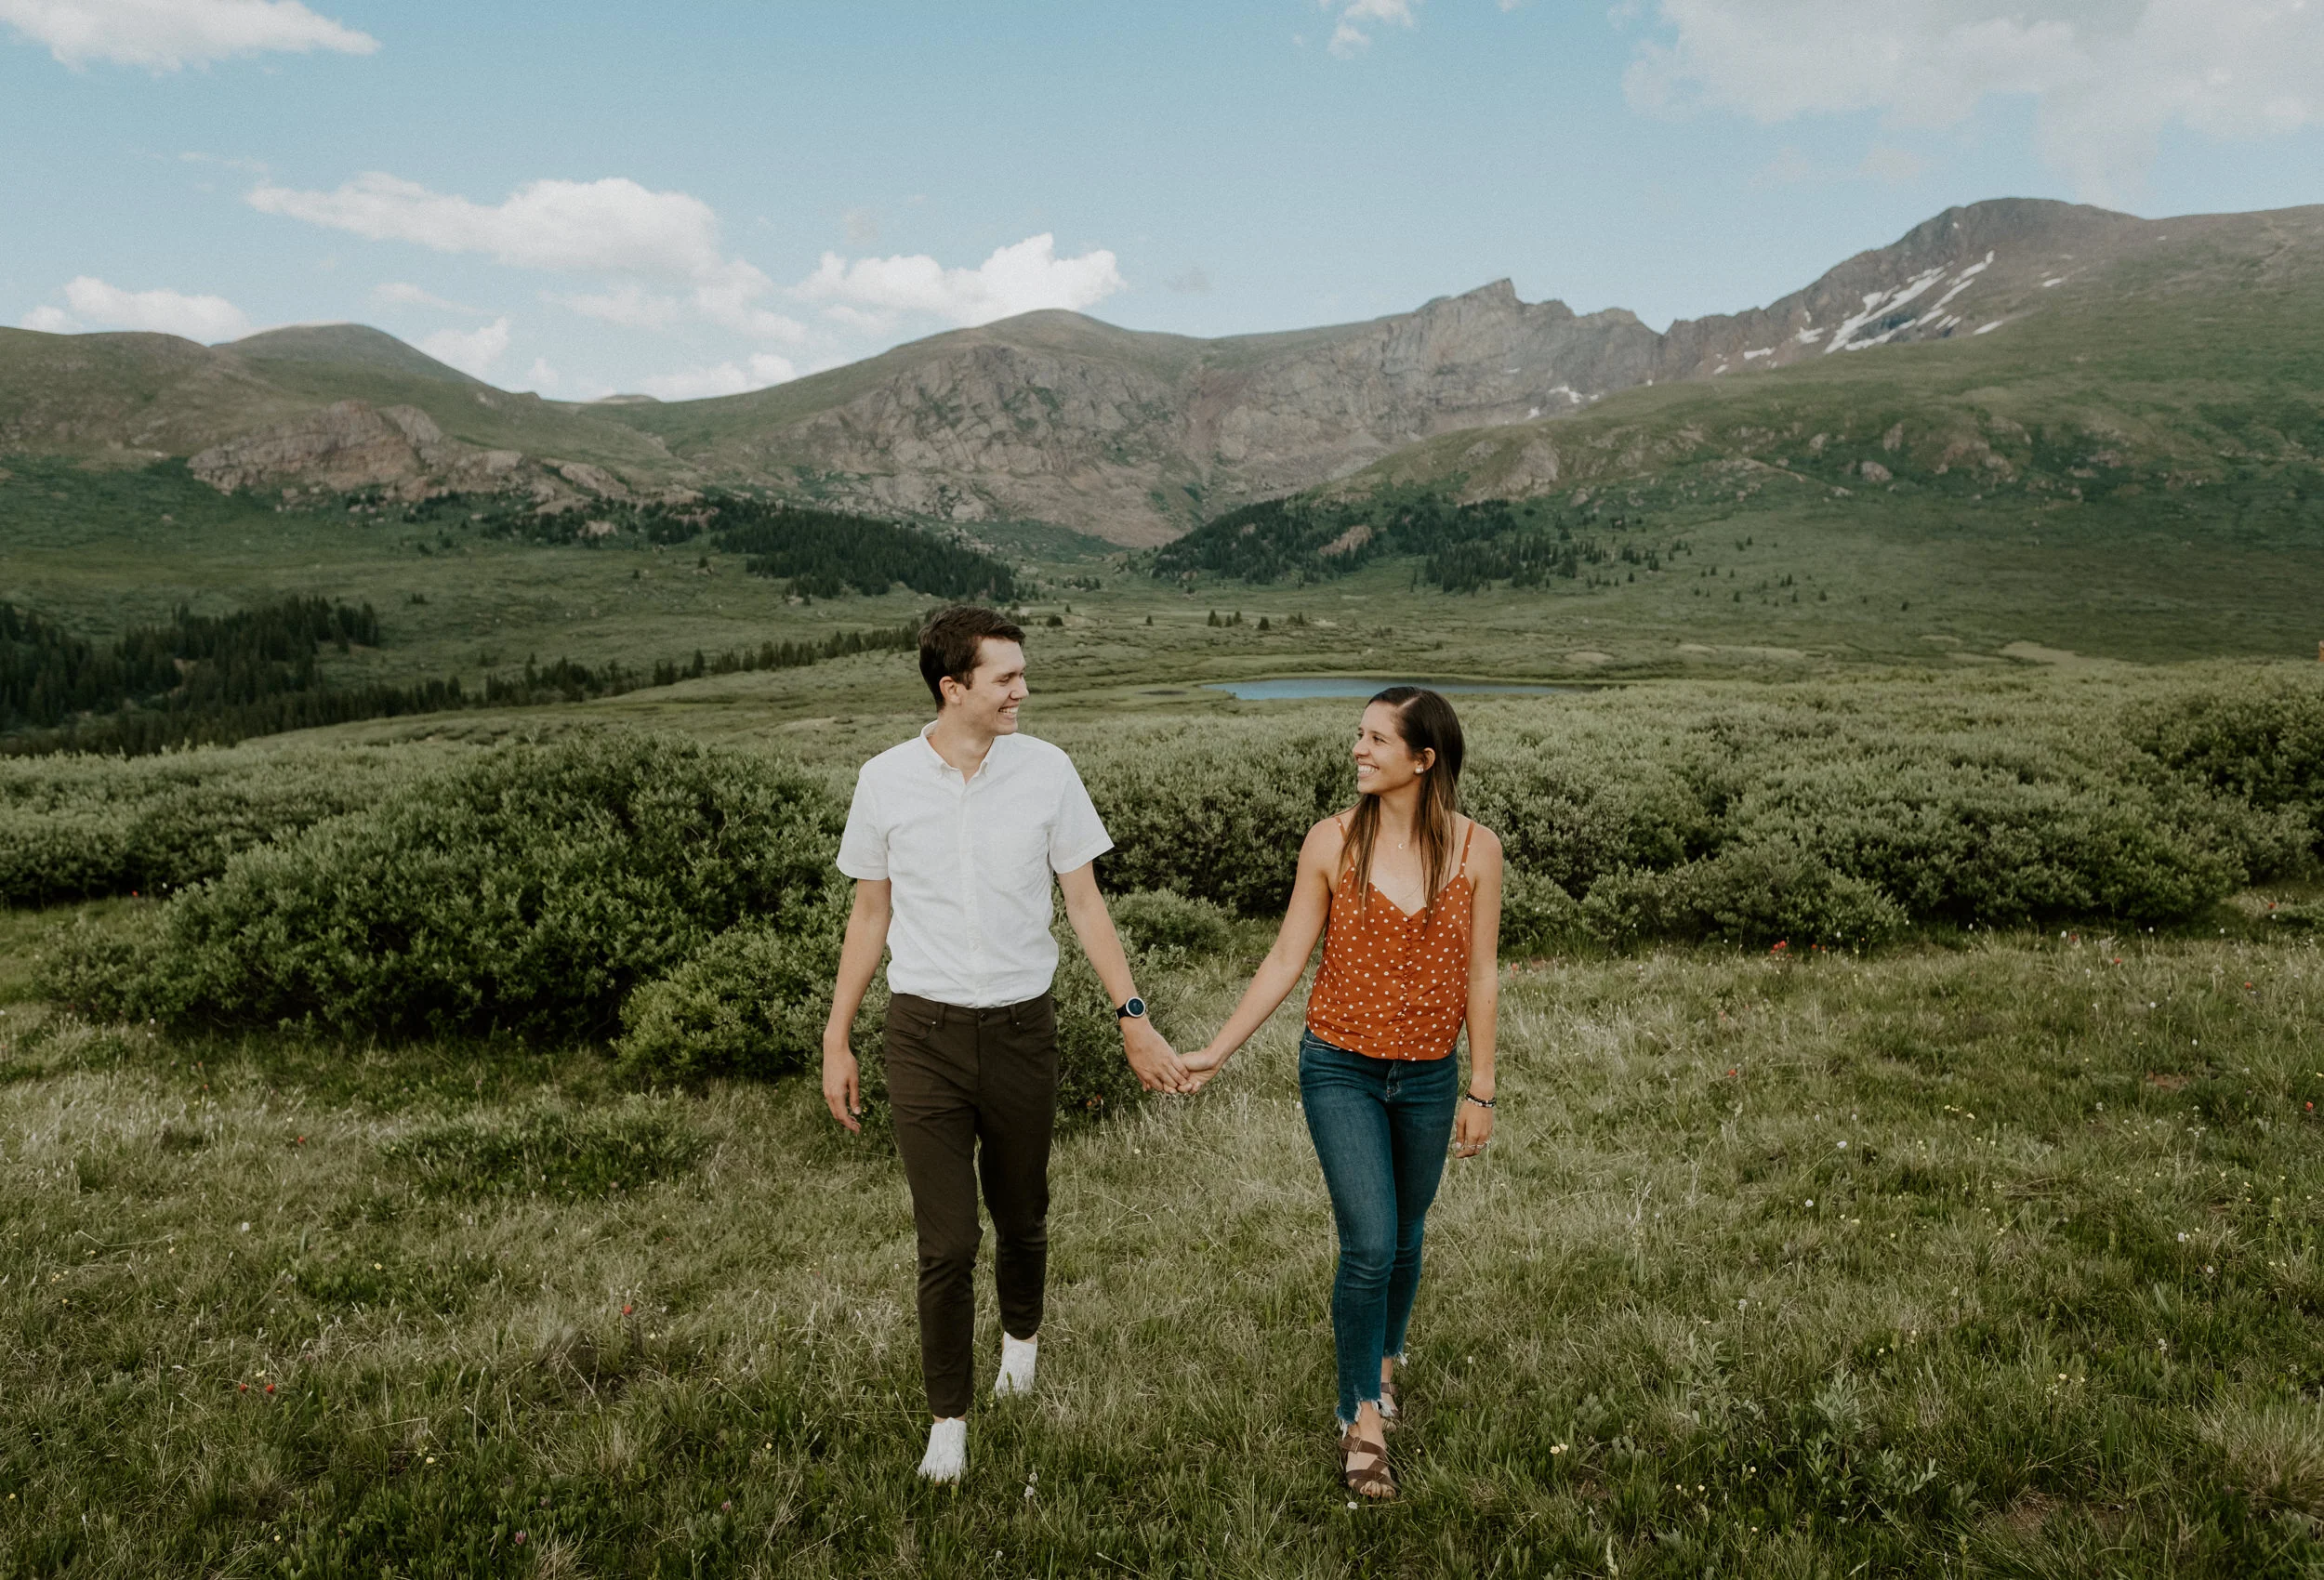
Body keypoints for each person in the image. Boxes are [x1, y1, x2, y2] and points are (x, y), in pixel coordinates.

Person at [821, 604, 1191, 1484]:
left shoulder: (1048, 771)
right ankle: (948, 1419)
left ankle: (1020, 1339)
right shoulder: (884, 781)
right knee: (946, 1243)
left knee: (1021, 1215)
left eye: (1022, 675)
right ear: (954, 689)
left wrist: (1133, 1016)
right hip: (923, 1035)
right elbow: (869, 914)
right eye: (1006, 679)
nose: (1024, 691)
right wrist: (837, 1037)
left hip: (1025, 1032)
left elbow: (1087, 905)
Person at [1183, 687, 1500, 1499]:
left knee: (1407, 1229)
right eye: (1357, 735)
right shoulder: (1331, 842)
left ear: (1422, 760)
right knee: (1369, 1239)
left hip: (1430, 1075)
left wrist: (1482, 1089)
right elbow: (1287, 957)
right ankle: (1360, 1414)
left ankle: (1386, 1357)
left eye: (1374, 740)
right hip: (1340, 1068)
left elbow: (1480, 974)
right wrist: (1219, 1049)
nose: (1357, 750)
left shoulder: (1477, 850)